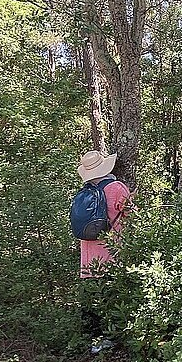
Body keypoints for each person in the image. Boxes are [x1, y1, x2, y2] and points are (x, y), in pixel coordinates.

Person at [76, 150, 131, 350]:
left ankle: (92, 341)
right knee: (111, 297)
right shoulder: (116, 188)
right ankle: (111, 339)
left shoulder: (85, 191)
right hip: (110, 253)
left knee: (91, 298)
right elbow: (131, 214)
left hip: (88, 257)